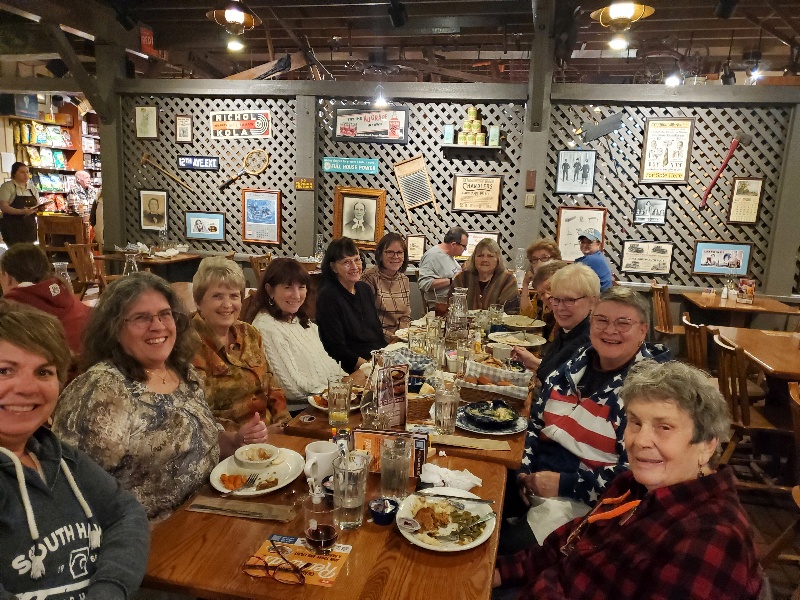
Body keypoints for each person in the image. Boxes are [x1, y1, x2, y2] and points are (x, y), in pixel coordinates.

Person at [495, 360, 762, 600]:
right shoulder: (632, 486)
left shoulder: (711, 540)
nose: (640, 441)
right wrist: (496, 574)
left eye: (664, 427)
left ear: (707, 445)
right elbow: (564, 545)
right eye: (635, 423)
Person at [52, 273, 266, 521]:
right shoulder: (100, 392)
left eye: (165, 314)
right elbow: (74, 497)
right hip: (149, 540)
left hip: (210, 511)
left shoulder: (183, 371)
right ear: (113, 328)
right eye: (141, 318)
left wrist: (236, 440)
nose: (158, 326)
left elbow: (204, 439)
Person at [0, 301, 149, 600]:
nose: (28, 388)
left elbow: (127, 514)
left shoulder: (58, 456)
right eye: (5, 370)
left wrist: (109, 589)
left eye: (43, 372)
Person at [504, 287, 669, 552]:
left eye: (623, 323)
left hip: (585, 504)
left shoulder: (651, 392)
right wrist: (524, 472)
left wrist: (563, 484)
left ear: (642, 331)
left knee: (501, 555)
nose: (610, 330)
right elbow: (534, 423)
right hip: (533, 480)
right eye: (601, 320)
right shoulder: (574, 366)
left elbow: (638, 476)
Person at [247, 258, 366, 411]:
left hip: (329, 400)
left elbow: (326, 363)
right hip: (300, 412)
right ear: (270, 290)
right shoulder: (266, 327)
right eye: (288, 287)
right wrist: (338, 389)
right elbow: (291, 389)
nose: (296, 295)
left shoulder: (300, 320)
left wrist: (348, 384)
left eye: (301, 287)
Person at [191, 256, 290, 429]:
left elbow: (270, 384)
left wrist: (284, 423)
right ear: (199, 302)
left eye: (234, 296)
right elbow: (198, 415)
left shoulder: (249, 333)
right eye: (217, 296)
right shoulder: (188, 343)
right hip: (228, 444)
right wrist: (253, 434)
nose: (227, 304)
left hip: (270, 434)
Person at [512, 263, 598, 385]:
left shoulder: (588, 344)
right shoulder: (568, 330)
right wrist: (533, 361)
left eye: (569, 300)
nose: (560, 308)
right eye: (556, 299)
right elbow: (556, 370)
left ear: (592, 302)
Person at [0, 242, 90, 354]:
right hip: (87, 366)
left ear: (7, 276)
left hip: (53, 369)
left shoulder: (9, 312)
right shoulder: (69, 297)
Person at [316, 237, 385, 373]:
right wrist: (369, 368)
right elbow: (336, 348)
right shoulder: (328, 297)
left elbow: (377, 332)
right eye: (346, 262)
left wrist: (385, 357)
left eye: (357, 260)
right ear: (333, 267)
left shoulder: (364, 289)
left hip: (375, 360)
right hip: (352, 368)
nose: (354, 267)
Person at [360, 232, 411, 341]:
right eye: (390, 252)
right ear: (380, 254)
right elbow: (366, 319)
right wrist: (393, 338)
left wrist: (402, 335)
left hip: (399, 337)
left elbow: (405, 314)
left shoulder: (404, 279)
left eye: (399, 252)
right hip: (376, 337)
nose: (395, 257)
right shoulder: (369, 277)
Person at [452, 237, 518, 311]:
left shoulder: (508, 281)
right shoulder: (461, 279)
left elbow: (511, 313)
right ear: (474, 258)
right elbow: (451, 307)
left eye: (490, 256)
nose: (484, 260)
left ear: (498, 259)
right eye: (480, 256)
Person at [418, 226, 468, 304]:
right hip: (439, 307)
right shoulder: (432, 256)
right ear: (454, 244)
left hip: (454, 304)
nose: (465, 249)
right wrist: (451, 280)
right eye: (464, 246)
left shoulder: (450, 255)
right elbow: (424, 284)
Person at [519, 238, 561, 320]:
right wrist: (525, 284)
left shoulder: (562, 283)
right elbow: (528, 316)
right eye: (535, 259)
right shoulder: (541, 289)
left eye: (544, 258)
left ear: (556, 259)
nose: (539, 263)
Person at [0, 162, 41, 246]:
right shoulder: (7, 187)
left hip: (30, 228)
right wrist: (22, 211)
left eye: (27, 172)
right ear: (14, 173)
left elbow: (37, 203)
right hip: (12, 228)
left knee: (29, 253)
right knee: (16, 253)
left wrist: (40, 208)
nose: (26, 175)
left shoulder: (32, 187)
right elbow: (4, 207)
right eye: (22, 172)